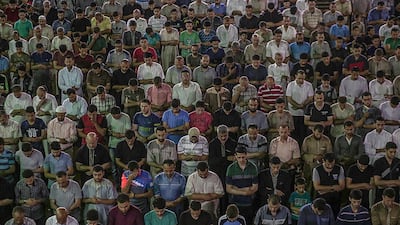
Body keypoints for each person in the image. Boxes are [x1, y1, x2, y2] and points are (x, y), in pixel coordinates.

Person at [226, 146, 258, 223]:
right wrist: (245, 192)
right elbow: (228, 189)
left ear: (246, 155)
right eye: (239, 157)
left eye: (243, 157)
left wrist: (236, 189)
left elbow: (255, 188)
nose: (241, 160)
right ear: (235, 156)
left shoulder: (253, 167)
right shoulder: (230, 168)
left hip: (249, 202)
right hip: (235, 202)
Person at [312, 152, 345, 217]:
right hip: (321, 201)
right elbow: (317, 187)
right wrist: (333, 188)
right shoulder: (317, 170)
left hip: (335, 200)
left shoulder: (339, 168)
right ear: (323, 161)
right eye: (328, 164)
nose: (330, 166)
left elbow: (342, 186)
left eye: (332, 164)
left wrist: (325, 190)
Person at [286, 70, 314, 144]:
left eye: (302, 78)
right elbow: (289, 98)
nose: (301, 80)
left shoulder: (309, 85)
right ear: (295, 76)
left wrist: (302, 105)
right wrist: (298, 106)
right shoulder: (290, 85)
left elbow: (310, 98)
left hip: (304, 114)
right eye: (299, 78)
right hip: (293, 113)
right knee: (294, 134)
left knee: (303, 133)